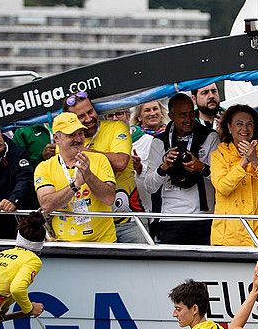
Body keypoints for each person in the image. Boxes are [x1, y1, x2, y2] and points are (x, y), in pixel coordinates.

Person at [64, 93, 144, 243]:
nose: (88, 119)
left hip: (129, 221)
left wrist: (83, 152)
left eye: (90, 112)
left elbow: (121, 162)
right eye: (81, 116)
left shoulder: (116, 127)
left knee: (144, 265)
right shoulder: (66, 141)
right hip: (92, 225)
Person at [140, 94, 218, 245]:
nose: (188, 119)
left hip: (204, 216)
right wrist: (163, 168)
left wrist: (201, 167)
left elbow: (221, 179)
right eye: (182, 115)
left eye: (191, 113)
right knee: (174, 267)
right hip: (171, 217)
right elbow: (149, 186)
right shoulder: (160, 142)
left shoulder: (209, 136)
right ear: (171, 116)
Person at [34, 112, 117, 243]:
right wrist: (75, 184)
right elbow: (47, 205)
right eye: (71, 135)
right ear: (56, 138)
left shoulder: (100, 159)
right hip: (64, 244)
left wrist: (88, 175)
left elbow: (109, 198)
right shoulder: (44, 168)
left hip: (103, 243)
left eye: (81, 133)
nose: (78, 139)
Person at [210, 104, 258, 246]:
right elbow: (223, 187)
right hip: (229, 236)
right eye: (239, 124)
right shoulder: (218, 155)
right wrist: (244, 162)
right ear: (229, 127)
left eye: (249, 124)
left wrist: (254, 160)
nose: (245, 129)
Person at [131, 100, 167, 179]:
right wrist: (139, 167)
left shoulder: (171, 134)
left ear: (161, 113)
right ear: (139, 117)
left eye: (155, 109)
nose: (153, 113)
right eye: (147, 110)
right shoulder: (133, 139)